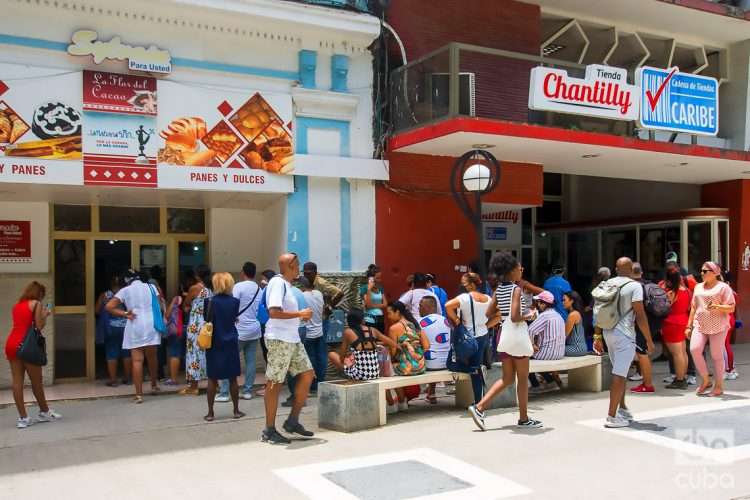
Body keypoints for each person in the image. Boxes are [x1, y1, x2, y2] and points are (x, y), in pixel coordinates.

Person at [469, 252, 542, 430]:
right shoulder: (516, 289)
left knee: (507, 378)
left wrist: (504, 316)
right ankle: (524, 418)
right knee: (522, 379)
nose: (521, 270)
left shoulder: (499, 289)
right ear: (511, 271)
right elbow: (516, 316)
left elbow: (488, 313)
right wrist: (530, 314)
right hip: (517, 336)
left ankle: (479, 407)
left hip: (504, 336)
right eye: (519, 268)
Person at [593, 257, 654, 428]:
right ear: (631, 268)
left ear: (616, 268)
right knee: (619, 375)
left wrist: (597, 337)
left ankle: (622, 408)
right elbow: (640, 315)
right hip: (624, 334)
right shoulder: (634, 286)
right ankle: (612, 417)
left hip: (607, 331)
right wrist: (649, 339)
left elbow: (597, 312)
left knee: (621, 370)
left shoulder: (607, 284)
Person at [262, 253, 314, 445]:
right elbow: (273, 312)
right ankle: (269, 430)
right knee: (274, 383)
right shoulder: (278, 283)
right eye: (297, 264)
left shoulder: (288, 285)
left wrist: (298, 316)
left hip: (291, 339)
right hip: (279, 339)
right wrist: (300, 313)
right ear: (290, 266)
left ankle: (292, 421)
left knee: (308, 374)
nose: (299, 268)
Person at [5, 282, 61, 429]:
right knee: (36, 382)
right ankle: (44, 412)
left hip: (12, 343)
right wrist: (46, 314)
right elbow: (39, 326)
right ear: (39, 294)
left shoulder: (17, 305)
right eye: (42, 295)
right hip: (27, 345)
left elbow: (22, 323)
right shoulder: (36, 304)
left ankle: (23, 418)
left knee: (17, 382)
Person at [106, 270, 164, 404]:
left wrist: (125, 313)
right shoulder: (151, 287)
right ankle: (154, 385)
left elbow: (109, 306)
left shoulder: (125, 291)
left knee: (137, 361)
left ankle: (138, 395)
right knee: (152, 357)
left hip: (135, 323)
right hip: (151, 324)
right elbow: (159, 301)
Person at [444, 273, 498, 404]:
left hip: (466, 337)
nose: (463, 286)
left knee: (463, 367)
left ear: (472, 284)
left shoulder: (464, 298)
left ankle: (479, 401)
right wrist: (486, 326)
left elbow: (447, 306)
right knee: (475, 365)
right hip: (482, 336)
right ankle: (480, 395)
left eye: (465, 283)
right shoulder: (488, 298)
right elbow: (498, 315)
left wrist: (457, 321)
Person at [686, 261, 735, 397]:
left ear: (715, 273)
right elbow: (694, 307)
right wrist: (688, 326)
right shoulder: (698, 287)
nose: (702, 273)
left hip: (718, 325)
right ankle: (706, 380)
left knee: (716, 355)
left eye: (705, 271)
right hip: (700, 324)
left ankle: (718, 386)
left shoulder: (723, 288)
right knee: (694, 349)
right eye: (701, 270)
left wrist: (718, 306)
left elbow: (731, 307)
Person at [203, 272, 245, 422]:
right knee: (232, 378)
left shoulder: (209, 301)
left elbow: (206, 320)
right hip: (230, 341)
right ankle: (236, 410)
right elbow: (234, 318)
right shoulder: (235, 301)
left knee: (212, 378)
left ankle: (210, 413)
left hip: (214, 342)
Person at [386, 300, 430, 413]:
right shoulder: (415, 324)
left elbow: (393, 353)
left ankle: (399, 401)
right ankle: (402, 401)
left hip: (407, 368)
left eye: (390, 313)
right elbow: (427, 346)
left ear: (398, 312)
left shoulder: (393, 328)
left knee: (387, 371)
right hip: (420, 366)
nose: (388, 316)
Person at [329, 309, 396, 381]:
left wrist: (345, 363)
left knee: (331, 354)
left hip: (361, 375)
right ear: (361, 320)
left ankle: (349, 374)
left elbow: (342, 356)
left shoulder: (348, 332)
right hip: (375, 373)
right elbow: (392, 343)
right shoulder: (372, 330)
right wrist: (400, 346)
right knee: (352, 359)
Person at [181, 265, 212, 396]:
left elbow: (186, 305)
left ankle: (193, 387)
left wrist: (186, 304)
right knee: (207, 353)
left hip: (195, 324)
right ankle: (212, 384)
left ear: (197, 275)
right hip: (207, 323)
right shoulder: (211, 288)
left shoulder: (195, 288)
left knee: (193, 353)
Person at [95, 274, 131, 386]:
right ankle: (127, 378)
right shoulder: (126, 293)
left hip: (110, 327)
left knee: (111, 353)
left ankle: (113, 380)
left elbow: (96, 310)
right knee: (127, 353)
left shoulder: (104, 295)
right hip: (126, 327)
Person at [629, 262, 660, 394]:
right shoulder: (649, 284)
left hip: (642, 324)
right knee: (642, 353)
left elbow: (639, 313)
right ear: (641, 272)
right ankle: (645, 382)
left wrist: (648, 339)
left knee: (642, 355)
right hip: (654, 322)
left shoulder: (634, 288)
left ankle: (647, 384)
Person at [660, 263, 691, 390]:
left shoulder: (670, 292)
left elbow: (663, 307)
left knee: (677, 353)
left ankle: (679, 379)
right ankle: (682, 377)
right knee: (683, 352)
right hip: (683, 320)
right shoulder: (686, 290)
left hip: (671, 323)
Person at [527, 291, 565, 393]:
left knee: (524, 357)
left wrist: (532, 345)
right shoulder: (558, 315)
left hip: (548, 354)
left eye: (539, 302)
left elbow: (530, 330)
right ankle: (550, 381)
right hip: (560, 353)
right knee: (532, 354)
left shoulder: (544, 316)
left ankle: (536, 385)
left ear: (543, 304)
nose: (538, 305)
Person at [420, 296, 452, 404]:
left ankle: (403, 399)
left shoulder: (420, 322)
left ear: (429, 307)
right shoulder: (445, 320)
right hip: (447, 363)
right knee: (435, 350)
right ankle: (431, 393)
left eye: (420, 306)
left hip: (429, 365)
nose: (419, 308)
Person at [302, 261, 344, 338]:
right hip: (310, 319)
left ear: (315, 273)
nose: (306, 276)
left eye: (309, 273)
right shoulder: (305, 282)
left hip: (321, 319)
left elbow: (340, 293)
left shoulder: (321, 283)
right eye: (305, 273)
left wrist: (330, 307)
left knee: (321, 341)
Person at [300, 277, 326, 394]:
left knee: (311, 359)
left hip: (309, 333)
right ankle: (321, 381)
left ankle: (313, 385)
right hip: (319, 331)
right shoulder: (318, 294)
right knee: (321, 357)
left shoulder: (302, 296)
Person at [163, 283, 186, 386]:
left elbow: (167, 315)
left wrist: (172, 302)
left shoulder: (178, 299)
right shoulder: (195, 298)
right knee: (186, 354)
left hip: (177, 330)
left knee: (174, 354)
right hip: (189, 328)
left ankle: (173, 379)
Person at [363, 265, 388, 333]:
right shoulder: (365, 288)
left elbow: (385, 304)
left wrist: (373, 306)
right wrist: (369, 289)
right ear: (371, 278)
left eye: (380, 278)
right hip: (370, 319)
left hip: (380, 318)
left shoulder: (380, 288)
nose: (380, 280)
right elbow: (368, 305)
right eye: (377, 278)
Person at [563, 291, 588, 357]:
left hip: (576, 348)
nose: (562, 302)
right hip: (580, 348)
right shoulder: (576, 313)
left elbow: (564, 335)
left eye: (564, 300)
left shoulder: (573, 315)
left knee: (551, 350)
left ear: (571, 301)